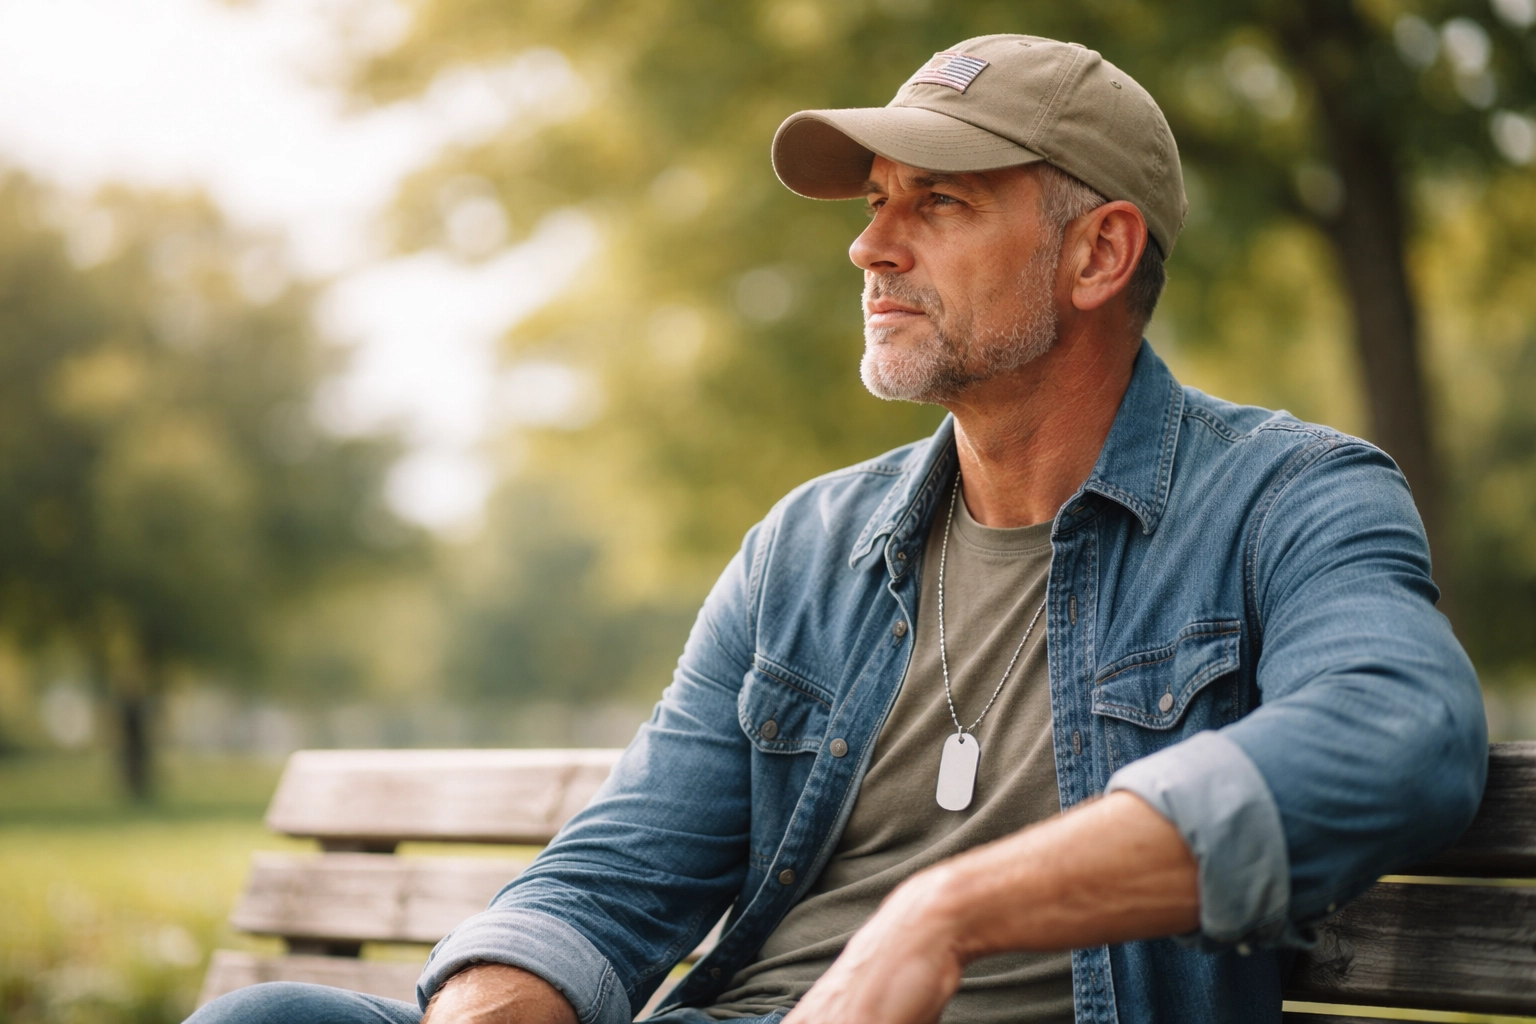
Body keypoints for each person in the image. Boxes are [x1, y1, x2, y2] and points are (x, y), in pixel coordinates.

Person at [189, 34, 1488, 1024]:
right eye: (874, 201)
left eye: (939, 203)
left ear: (1098, 256)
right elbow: (622, 872)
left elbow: (1401, 731)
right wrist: (494, 1004)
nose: (869, 247)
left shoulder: (1289, 499)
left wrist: (951, 913)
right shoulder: (811, 544)